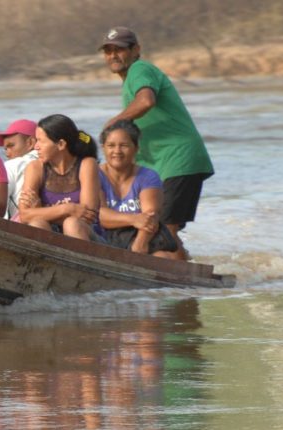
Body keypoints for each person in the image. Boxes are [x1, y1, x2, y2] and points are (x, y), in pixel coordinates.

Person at [99, 26, 214, 260]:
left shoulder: (140, 69)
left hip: (178, 158)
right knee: (161, 231)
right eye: (108, 51)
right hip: (162, 164)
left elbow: (146, 101)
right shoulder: (131, 79)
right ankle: (191, 275)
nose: (113, 56)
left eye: (119, 50)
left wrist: (114, 122)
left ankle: (186, 284)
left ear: (136, 50)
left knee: (165, 230)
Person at [97, 120, 180, 259]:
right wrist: (134, 219)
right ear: (103, 148)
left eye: (124, 146)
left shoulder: (148, 176)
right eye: (111, 145)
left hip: (140, 235)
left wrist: (140, 244)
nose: (117, 151)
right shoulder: (94, 174)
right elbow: (100, 215)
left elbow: (151, 216)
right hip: (103, 237)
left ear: (136, 148)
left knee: (163, 257)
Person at [17, 114, 101, 241]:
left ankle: (77, 261)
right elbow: (25, 215)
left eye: (41, 141)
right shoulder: (35, 168)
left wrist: (41, 210)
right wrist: (68, 208)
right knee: (36, 224)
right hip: (52, 233)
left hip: (88, 236)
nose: (36, 147)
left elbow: (86, 216)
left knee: (71, 224)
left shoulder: (87, 164)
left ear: (61, 144)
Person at [0, 119, 38, 218]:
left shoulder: (12, 165)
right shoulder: (55, 162)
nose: (7, 153)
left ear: (30, 143)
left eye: (11, 146)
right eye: (5, 149)